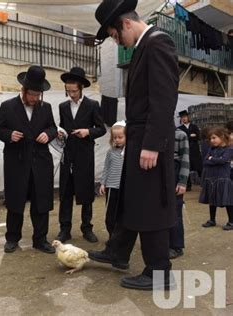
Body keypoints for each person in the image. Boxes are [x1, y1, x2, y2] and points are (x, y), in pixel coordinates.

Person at [89, 0, 179, 290]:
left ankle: (159, 272)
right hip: (138, 138)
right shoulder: (144, 46)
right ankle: (118, 250)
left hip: (150, 140)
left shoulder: (157, 43)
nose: (118, 41)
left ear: (126, 23)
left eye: (116, 36)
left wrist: (152, 144)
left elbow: (163, 99)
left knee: (151, 204)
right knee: (132, 198)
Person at [0, 65, 57, 254]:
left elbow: (53, 127)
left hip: (41, 162)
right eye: (32, 95)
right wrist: (9, 134)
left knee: (41, 202)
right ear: (23, 90)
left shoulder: (46, 108)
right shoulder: (8, 107)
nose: (35, 99)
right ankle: (12, 238)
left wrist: (48, 134)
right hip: (17, 162)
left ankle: (40, 239)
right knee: (15, 201)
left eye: (38, 95)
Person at [56, 67, 106, 243]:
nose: (71, 94)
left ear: (81, 88)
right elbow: (62, 126)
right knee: (65, 193)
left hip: (85, 156)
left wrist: (87, 132)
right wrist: (60, 133)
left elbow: (101, 129)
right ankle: (65, 229)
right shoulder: (63, 107)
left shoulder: (93, 105)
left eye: (74, 91)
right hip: (68, 155)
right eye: (68, 91)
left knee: (85, 193)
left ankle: (87, 228)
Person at [199, 127, 233, 231]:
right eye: (210, 138)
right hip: (211, 178)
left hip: (223, 178)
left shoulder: (229, 149)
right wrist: (215, 160)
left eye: (214, 138)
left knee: (227, 200)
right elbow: (205, 161)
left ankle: (231, 221)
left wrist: (212, 159)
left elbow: (223, 160)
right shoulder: (211, 149)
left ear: (222, 137)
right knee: (212, 200)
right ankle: (212, 220)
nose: (212, 140)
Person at [99, 121, 125, 239]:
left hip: (124, 188)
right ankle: (112, 236)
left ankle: (121, 237)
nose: (117, 140)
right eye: (115, 137)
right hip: (111, 187)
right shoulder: (110, 152)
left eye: (120, 137)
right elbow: (106, 168)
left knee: (123, 213)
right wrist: (103, 183)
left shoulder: (130, 153)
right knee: (111, 214)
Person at [170, 128, 190, 259]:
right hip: (161, 174)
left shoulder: (180, 135)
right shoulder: (155, 134)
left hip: (175, 172)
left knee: (175, 211)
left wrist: (182, 182)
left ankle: (176, 246)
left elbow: (185, 160)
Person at [177, 110, 202, 191]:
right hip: (185, 150)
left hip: (195, 151)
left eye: (185, 117)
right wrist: (190, 136)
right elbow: (182, 138)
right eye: (182, 118)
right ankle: (188, 186)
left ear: (188, 117)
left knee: (199, 168)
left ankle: (204, 183)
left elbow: (198, 136)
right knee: (186, 168)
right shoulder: (179, 128)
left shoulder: (194, 126)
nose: (184, 119)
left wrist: (188, 136)